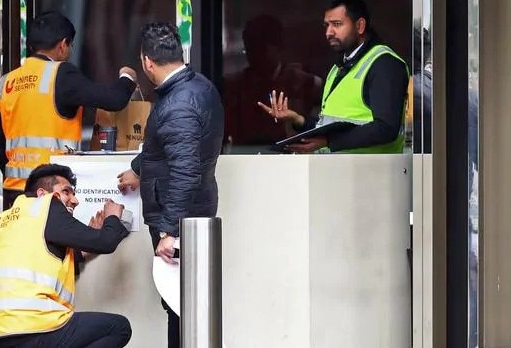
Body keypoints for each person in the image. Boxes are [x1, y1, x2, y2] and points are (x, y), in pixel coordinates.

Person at [117, 23, 224, 348]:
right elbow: (169, 147)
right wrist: (139, 169)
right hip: (191, 214)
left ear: (147, 62)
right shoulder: (196, 87)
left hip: (181, 221)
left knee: (181, 309)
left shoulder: (178, 104)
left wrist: (169, 232)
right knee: (181, 306)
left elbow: (185, 170)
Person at [0, 11, 138, 209]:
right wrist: (127, 78)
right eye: (70, 46)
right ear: (63, 44)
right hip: (52, 193)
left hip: (14, 194)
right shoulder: (60, 74)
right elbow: (114, 99)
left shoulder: (6, 83)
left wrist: (16, 171)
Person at [0, 164, 132, 348]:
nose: (75, 200)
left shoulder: (5, 219)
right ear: (42, 193)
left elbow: (43, 255)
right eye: (66, 192)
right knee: (118, 328)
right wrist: (113, 218)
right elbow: (106, 242)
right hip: (29, 324)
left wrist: (86, 244)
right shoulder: (47, 205)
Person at [268, 0, 409, 153]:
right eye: (326, 25)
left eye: (337, 24)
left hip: (370, 173)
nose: (329, 32)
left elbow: (386, 128)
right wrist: (298, 119)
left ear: (360, 26)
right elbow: (331, 124)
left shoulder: (384, 64)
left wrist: (329, 141)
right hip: (339, 172)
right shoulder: (338, 68)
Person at [223, 14, 322, 148]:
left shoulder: (308, 84)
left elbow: (319, 129)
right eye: (249, 49)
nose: (254, 55)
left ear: (278, 46)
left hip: (293, 156)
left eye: (261, 48)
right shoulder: (233, 87)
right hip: (242, 155)